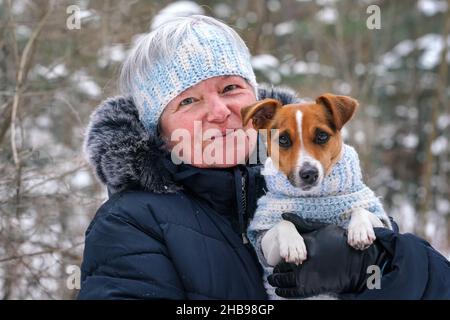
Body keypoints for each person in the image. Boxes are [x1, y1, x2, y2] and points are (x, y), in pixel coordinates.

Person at [79, 15, 450, 300]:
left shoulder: (334, 187)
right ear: (158, 129)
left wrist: (376, 267)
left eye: (230, 88)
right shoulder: (130, 224)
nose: (220, 111)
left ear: (255, 104)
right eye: (188, 101)